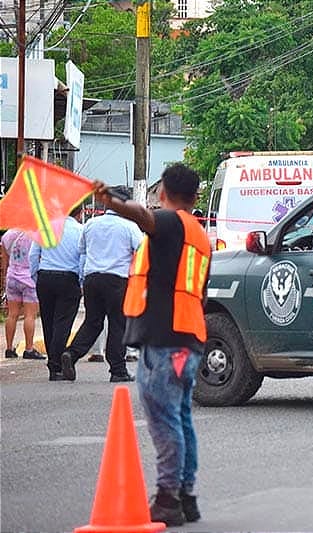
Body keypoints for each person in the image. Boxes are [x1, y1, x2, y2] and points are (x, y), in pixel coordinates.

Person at [93, 164, 211, 526]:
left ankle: (167, 498)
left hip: (165, 340)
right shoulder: (199, 235)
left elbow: (142, 215)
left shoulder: (171, 223)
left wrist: (110, 201)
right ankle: (185, 495)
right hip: (189, 338)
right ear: (196, 197)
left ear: (163, 192)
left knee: (164, 419)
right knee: (180, 418)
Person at [61, 186, 143, 382]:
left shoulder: (91, 224)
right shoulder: (129, 226)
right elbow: (141, 248)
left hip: (92, 279)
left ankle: (71, 354)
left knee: (92, 321)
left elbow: (82, 249)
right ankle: (118, 370)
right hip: (117, 280)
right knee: (117, 323)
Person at [29, 206, 84, 381]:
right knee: (63, 322)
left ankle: (53, 366)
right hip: (69, 278)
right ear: (79, 212)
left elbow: (33, 255)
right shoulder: (79, 230)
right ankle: (56, 364)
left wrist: (36, 276)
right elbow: (82, 257)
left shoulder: (45, 227)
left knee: (48, 321)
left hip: (45, 276)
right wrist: (81, 281)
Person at [1, 229, 45, 360]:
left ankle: (9, 348)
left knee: (12, 314)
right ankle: (29, 349)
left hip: (12, 277)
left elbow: (5, 260)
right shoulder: (37, 234)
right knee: (30, 315)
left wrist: (5, 278)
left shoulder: (8, 234)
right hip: (28, 278)